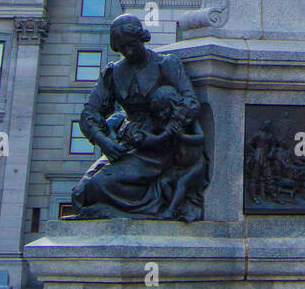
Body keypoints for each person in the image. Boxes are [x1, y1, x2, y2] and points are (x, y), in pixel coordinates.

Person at [71, 14, 208, 221]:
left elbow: (191, 102)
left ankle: (152, 203)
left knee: (99, 185)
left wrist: (165, 132)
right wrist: (104, 142)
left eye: (131, 45)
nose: (127, 51)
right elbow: (90, 112)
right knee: (80, 193)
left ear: (142, 38)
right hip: (127, 143)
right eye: (122, 47)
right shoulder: (113, 72)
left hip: (158, 147)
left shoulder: (165, 65)